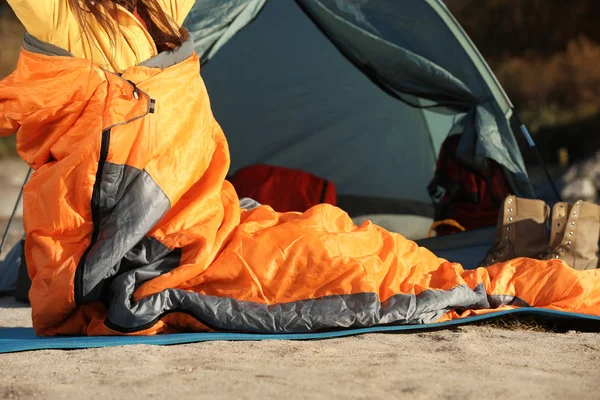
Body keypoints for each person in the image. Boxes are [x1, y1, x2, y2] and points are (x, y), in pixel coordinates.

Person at [1, 0, 599, 336]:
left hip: (212, 225)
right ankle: (533, 277)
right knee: (365, 270)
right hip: (159, 257)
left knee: (348, 241)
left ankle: (529, 265)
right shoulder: (71, 19)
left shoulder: (158, 6)